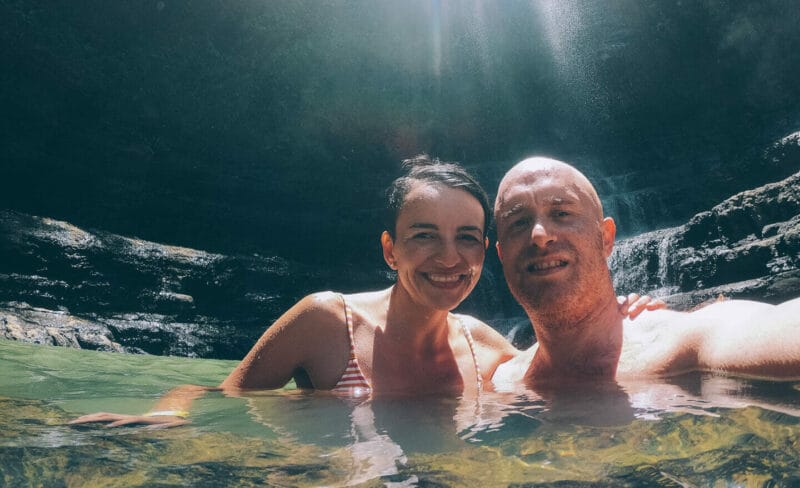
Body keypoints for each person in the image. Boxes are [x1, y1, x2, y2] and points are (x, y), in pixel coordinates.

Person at [70, 155, 660, 428]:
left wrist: (631, 310)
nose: (449, 257)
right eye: (424, 236)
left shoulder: (488, 350)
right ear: (390, 249)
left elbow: (568, 361)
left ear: (488, 251)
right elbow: (218, 396)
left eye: (466, 238)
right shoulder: (327, 322)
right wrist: (164, 415)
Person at [491, 156, 800, 389]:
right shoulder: (499, 380)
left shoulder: (685, 344)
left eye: (561, 213)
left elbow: (766, 328)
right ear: (502, 255)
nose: (539, 235)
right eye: (518, 222)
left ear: (606, 238)